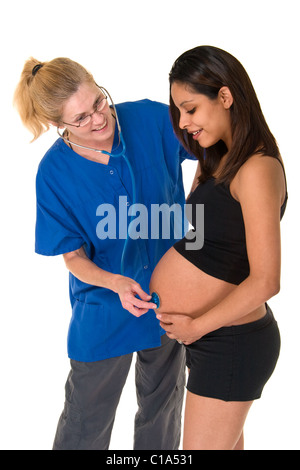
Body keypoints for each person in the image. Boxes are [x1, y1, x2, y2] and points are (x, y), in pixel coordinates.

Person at [14, 57, 195, 450]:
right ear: (57, 126)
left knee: (162, 412)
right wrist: (115, 283)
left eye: (98, 102)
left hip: (170, 297)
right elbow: (73, 256)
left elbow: (214, 145)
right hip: (103, 306)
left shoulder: (149, 119)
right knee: (85, 421)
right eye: (80, 118)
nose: (99, 120)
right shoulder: (53, 174)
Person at [149, 45, 287, 450]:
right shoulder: (216, 158)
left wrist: (195, 325)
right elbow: (198, 237)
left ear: (225, 97)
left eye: (190, 108)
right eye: (178, 111)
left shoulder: (258, 168)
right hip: (213, 339)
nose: (184, 122)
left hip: (230, 342)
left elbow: (266, 281)